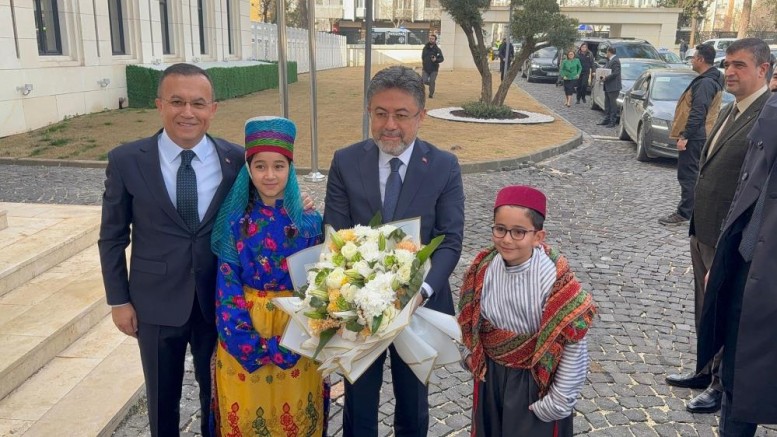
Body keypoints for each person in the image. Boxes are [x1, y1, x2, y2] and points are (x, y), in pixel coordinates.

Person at [98, 63, 245, 437]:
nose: (187, 112)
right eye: (177, 101)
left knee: (218, 394)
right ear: (159, 104)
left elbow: (261, 211)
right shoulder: (127, 160)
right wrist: (119, 301)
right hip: (154, 303)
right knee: (162, 397)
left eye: (198, 103)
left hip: (217, 299)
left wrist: (302, 208)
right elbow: (113, 236)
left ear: (213, 108)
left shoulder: (236, 161)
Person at [324, 65, 465, 437]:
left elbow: (450, 239)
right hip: (360, 310)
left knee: (413, 402)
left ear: (420, 116)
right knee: (360, 403)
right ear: (369, 112)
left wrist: (422, 292)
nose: (390, 124)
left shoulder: (444, 166)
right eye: (380, 113)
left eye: (401, 115)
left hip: (418, 310)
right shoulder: (346, 161)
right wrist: (354, 294)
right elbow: (334, 235)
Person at [665, 38, 772, 416]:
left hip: (731, 237)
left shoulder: (767, 116)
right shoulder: (731, 110)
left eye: (739, 65)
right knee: (704, 307)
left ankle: (720, 385)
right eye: (727, 64)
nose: (729, 72)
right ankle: (703, 369)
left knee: (725, 311)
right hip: (703, 227)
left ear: (763, 69)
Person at [210, 116, 328, 435]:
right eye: (260, 166)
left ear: (290, 167)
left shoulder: (309, 223)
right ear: (248, 169)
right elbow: (227, 286)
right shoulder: (235, 222)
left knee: (297, 418)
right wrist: (246, 343)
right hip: (245, 331)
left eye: (279, 165)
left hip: (298, 331)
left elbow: (320, 286)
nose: (270, 175)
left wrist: (297, 340)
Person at [458, 185, 596, 437]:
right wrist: (469, 353)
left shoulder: (555, 281)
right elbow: (470, 315)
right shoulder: (483, 268)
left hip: (533, 383)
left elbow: (573, 341)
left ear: (538, 236)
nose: (507, 239)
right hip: (491, 377)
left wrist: (557, 402)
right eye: (500, 229)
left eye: (519, 232)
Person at [696, 65, 777, 436]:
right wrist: (728, 257)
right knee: (738, 381)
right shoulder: (771, 114)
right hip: (748, 266)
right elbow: (749, 190)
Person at [659, 43, 725, 226]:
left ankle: (684, 213)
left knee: (688, 175)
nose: (692, 61)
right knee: (693, 173)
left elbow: (698, 111)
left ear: (701, 59)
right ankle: (693, 211)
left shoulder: (705, 82)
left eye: (694, 57)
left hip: (696, 135)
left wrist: (685, 136)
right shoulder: (712, 79)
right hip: (700, 134)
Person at [597, 47, 621, 128]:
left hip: (613, 87)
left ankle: (612, 121)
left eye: (607, 52)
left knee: (613, 105)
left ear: (609, 52)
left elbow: (615, 73)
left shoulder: (616, 61)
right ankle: (606, 119)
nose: (606, 54)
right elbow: (605, 70)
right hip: (608, 86)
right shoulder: (609, 60)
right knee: (607, 104)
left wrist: (606, 78)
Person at [421, 34, 444, 99]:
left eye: (432, 39)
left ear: (435, 40)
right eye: (430, 38)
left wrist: (436, 60)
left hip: (434, 69)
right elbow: (423, 57)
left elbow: (442, 59)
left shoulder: (437, 49)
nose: (431, 40)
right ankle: (431, 84)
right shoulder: (425, 48)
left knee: (432, 81)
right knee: (423, 81)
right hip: (425, 69)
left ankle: (431, 94)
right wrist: (424, 64)